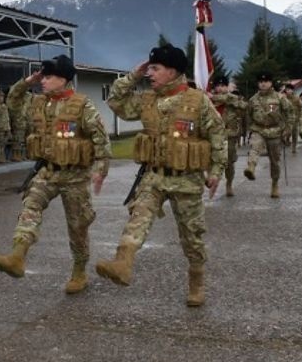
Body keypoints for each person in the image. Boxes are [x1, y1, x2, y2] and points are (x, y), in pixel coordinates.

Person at [95, 44, 225, 307]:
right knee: (137, 218)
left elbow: (218, 136)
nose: (150, 74)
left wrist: (215, 171)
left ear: (173, 71)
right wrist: (133, 75)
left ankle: (196, 281)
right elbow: (116, 102)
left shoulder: (198, 101)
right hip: (153, 176)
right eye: (149, 68)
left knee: (192, 236)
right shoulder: (147, 100)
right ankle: (122, 263)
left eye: (155, 68)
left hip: (186, 179)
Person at [0, 56, 111, 294]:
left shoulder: (82, 105)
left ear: (63, 79)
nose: (43, 81)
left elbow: (101, 139)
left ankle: (79, 270)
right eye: (42, 77)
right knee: (30, 205)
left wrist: (100, 170)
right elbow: (12, 102)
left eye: (47, 77)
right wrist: (27, 82)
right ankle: (18, 255)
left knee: (77, 226)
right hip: (47, 171)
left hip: (75, 176)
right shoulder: (38, 103)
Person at [244, 71, 293, 198]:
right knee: (255, 147)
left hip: (275, 131)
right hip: (258, 129)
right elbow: (248, 115)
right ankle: (251, 167)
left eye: (265, 82)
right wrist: (250, 129)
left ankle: (275, 184)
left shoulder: (279, 98)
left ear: (271, 83)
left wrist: (288, 129)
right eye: (260, 82)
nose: (263, 84)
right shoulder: (253, 99)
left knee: (275, 161)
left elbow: (290, 113)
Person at [209, 75, 244, 196]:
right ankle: (211, 181)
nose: (220, 88)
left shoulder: (232, 98)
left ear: (227, 86)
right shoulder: (210, 101)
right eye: (217, 86)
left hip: (229, 135)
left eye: (222, 86)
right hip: (214, 135)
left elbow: (240, 104)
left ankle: (229, 183)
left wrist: (213, 96)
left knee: (229, 163)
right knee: (211, 161)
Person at [9, 91, 31, 162]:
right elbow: (12, 116)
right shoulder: (15, 105)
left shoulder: (25, 106)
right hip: (17, 124)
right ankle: (15, 155)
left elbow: (26, 115)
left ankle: (22, 155)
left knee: (22, 141)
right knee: (17, 140)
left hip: (23, 124)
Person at [282, 83, 302, 154]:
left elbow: (301, 107)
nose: (288, 91)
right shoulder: (282, 97)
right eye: (287, 90)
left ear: (292, 90)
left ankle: (294, 147)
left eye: (290, 90)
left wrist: (299, 117)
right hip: (285, 120)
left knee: (294, 134)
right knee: (286, 133)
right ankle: (286, 140)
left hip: (295, 119)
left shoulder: (296, 98)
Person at [0, 92, 11, 163]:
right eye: (0, 96)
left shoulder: (4, 106)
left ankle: (3, 157)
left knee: (3, 143)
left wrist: (9, 128)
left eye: (2, 97)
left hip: (5, 126)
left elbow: (7, 118)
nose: (1, 98)